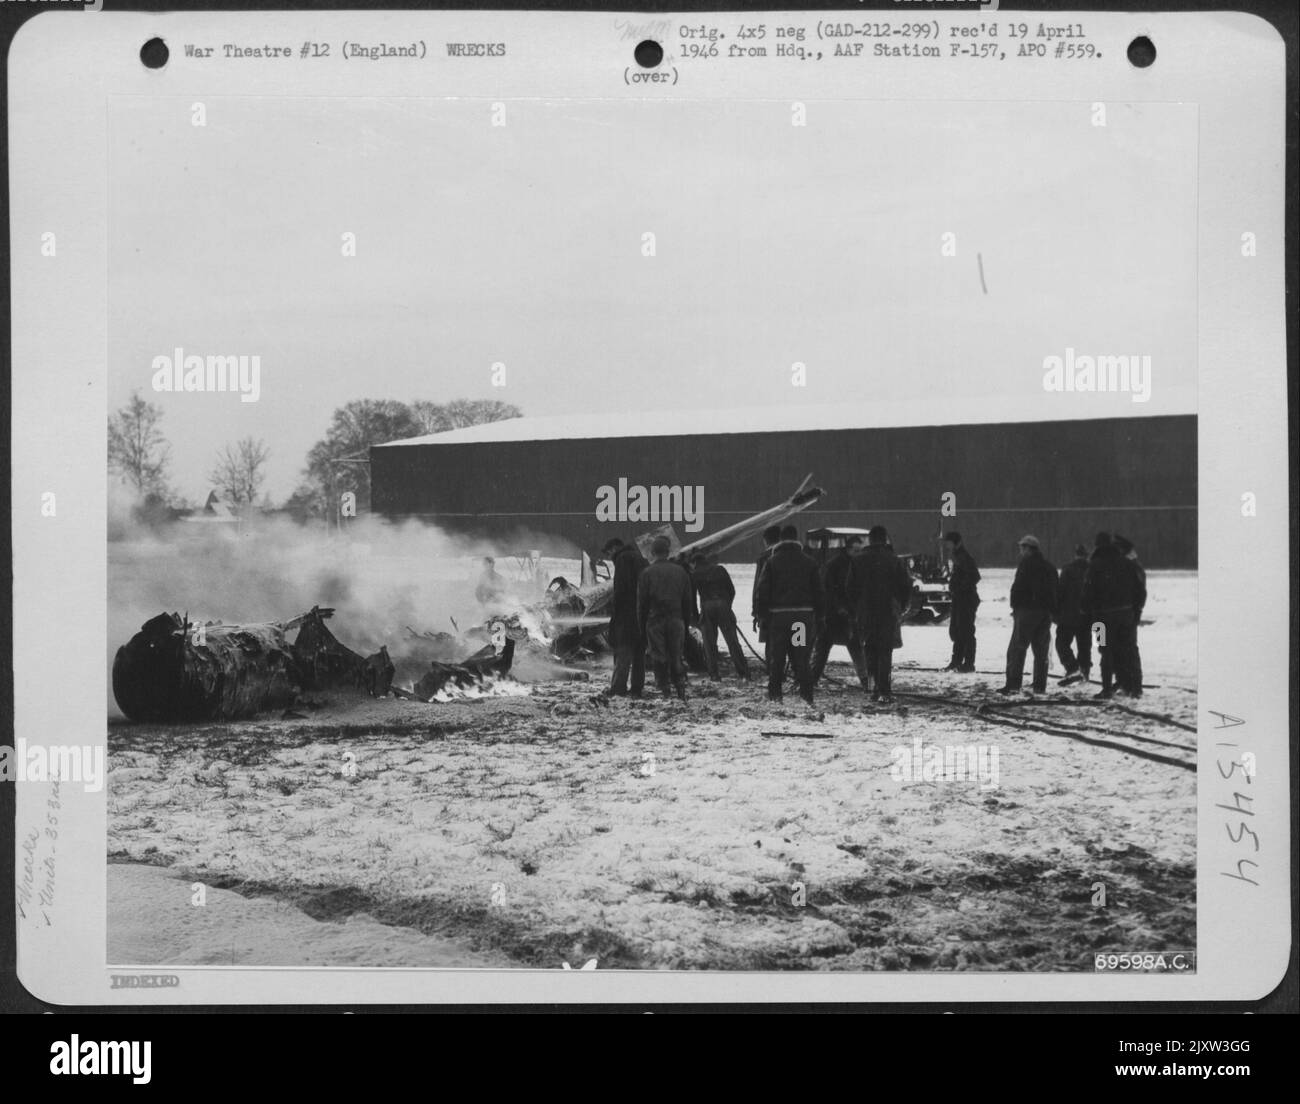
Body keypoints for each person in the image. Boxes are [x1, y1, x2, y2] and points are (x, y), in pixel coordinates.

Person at [754, 524, 823, 705]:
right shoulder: (809, 562)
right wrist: (819, 616)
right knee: (801, 658)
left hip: (779, 619)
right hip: (801, 619)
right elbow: (819, 593)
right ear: (796, 538)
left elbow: (762, 591)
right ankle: (807, 698)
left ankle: (776, 698)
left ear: (781, 540)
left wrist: (762, 616)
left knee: (777, 659)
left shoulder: (771, 562)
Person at [847, 526, 913, 703]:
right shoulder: (895, 560)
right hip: (888, 611)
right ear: (885, 539)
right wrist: (902, 606)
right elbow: (906, 586)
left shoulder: (857, 561)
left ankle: (873, 687)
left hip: (865, 612)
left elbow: (850, 589)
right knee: (885, 650)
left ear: (870, 539)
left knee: (869, 649)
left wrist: (856, 609)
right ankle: (884, 690)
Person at [1081, 532, 1145, 699]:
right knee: (1129, 650)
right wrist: (1136, 612)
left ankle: (1107, 687)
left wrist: (1086, 611)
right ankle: (1134, 687)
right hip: (1126, 615)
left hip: (1100, 618)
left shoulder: (1094, 565)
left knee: (1104, 650)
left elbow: (1087, 592)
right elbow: (1140, 591)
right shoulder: (1127, 564)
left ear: (1096, 545)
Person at [999, 535, 1058, 695]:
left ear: (1028, 548)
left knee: (1017, 649)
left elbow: (1019, 587)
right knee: (1041, 651)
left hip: (1026, 612)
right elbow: (1055, 591)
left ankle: (1013, 685)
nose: (1020, 551)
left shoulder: (1026, 565)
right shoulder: (1049, 567)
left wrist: (1015, 605)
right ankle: (1040, 686)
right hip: (1045, 613)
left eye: (1022, 548)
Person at [637, 535, 694, 701]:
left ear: (652, 552)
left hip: (655, 620)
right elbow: (688, 600)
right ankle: (681, 690)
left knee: (659, 656)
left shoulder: (646, 573)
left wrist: (642, 628)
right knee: (677, 656)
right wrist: (686, 622)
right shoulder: (681, 571)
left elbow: (642, 604)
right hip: (677, 619)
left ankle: (665, 691)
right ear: (668, 552)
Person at [810, 534, 869, 689]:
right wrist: (841, 608)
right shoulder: (837, 565)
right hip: (835, 615)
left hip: (843, 615)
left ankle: (811, 680)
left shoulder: (840, 564)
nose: (858, 553)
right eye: (856, 550)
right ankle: (865, 681)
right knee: (827, 648)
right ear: (848, 549)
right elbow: (828, 589)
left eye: (860, 550)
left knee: (828, 648)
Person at [690, 553, 750, 681]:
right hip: (723, 604)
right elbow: (731, 590)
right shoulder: (720, 569)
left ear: (694, 563)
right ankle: (744, 672)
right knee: (733, 642)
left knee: (709, 643)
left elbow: (692, 599)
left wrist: (696, 618)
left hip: (707, 606)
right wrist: (727, 606)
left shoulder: (695, 574)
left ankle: (714, 674)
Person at [602, 537, 647, 699]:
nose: (609, 557)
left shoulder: (622, 559)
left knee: (623, 652)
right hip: (642, 614)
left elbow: (621, 590)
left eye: (609, 553)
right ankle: (636, 688)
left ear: (615, 548)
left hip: (626, 615)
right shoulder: (640, 558)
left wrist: (615, 617)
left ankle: (618, 688)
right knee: (639, 654)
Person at [942, 531, 981, 672]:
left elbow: (975, 576)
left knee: (966, 631)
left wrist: (960, 588)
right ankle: (956, 661)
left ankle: (969, 663)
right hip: (960, 599)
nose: (946, 545)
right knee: (958, 631)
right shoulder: (957, 556)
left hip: (966, 599)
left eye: (948, 542)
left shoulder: (964, 557)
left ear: (955, 542)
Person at [1113, 535, 1146, 697]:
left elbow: (1140, 593)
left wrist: (1136, 611)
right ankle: (1126, 683)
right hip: (1127, 614)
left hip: (1128, 614)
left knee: (1128, 650)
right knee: (1122, 649)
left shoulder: (1131, 567)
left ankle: (1133, 685)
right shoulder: (1130, 566)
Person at [1054, 544, 1092, 684]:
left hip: (1068, 615)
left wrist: (1056, 612)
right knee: (1085, 646)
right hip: (1087, 617)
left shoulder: (1068, 569)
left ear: (1076, 555)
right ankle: (1085, 673)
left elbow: (1060, 592)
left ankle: (1072, 667)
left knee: (1062, 644)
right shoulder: (1092, 570)